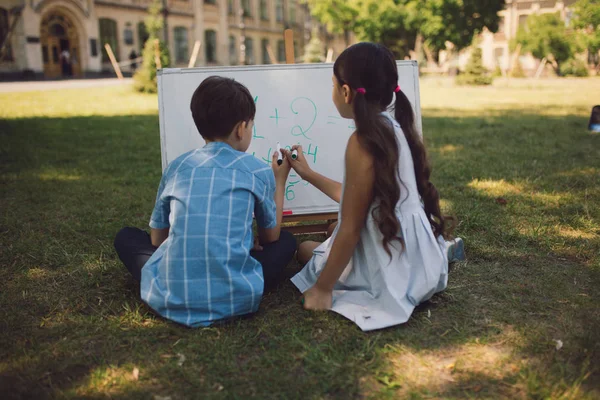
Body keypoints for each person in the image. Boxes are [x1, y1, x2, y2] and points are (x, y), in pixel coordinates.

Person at [285, 42, 464, 331]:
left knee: (307, 249)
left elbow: (351, 227)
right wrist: (307, 173)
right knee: (332, 230)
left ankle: (334, 272)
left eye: (334, 85)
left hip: (392, 271)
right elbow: (355, 198)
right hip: (420, 264)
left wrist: (322, 289)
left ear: (346, 92)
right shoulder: (393, 128)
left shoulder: (362, 141)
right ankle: (442, 249)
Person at [114, 76, 297, 327]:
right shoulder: (257, 170)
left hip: (172, 296)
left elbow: (157, 240)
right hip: (237, 298)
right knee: (287, 242)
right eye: (251, 126)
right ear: (241, 129)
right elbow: (271, 237)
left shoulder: (177, 167)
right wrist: (279, 180)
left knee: (126, 236)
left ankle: (180, 280)